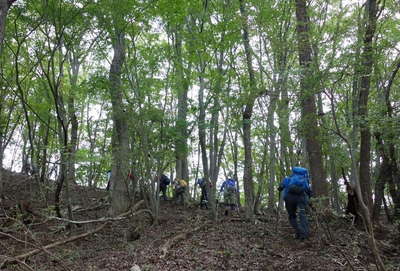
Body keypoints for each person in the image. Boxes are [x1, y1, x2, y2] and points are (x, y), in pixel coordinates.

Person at [278, 167, 312, 240]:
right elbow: (308, 190)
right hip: (301, 197)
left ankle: (298, 231)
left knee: (292, 216)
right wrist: (309, 199)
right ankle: (305, 234)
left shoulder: (288, 178)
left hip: (289, 198)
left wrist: (281, 187)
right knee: (302, 214)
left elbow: (280, 187)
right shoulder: (304, 179)